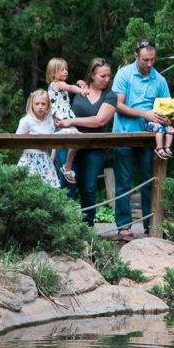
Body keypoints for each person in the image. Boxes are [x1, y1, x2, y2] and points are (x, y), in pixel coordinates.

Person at [111, 40, 171, 237]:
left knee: (149, 181)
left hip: (149, 138)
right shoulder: (124, 74)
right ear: (136, 56)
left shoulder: (159, 80)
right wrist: (144, 114)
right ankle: (123, 226)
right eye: (146, 59)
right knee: (123, 181)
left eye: (153, 59)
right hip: (124, 135)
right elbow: (118, 106)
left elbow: (169, 114)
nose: (150, 64)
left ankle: (150, 225)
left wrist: (165, 118)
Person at [53, 58, 117, 224]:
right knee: (67, 187)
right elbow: (56, 104)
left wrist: (73, 121)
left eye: (109, 75)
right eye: (102, 76)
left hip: (93, 148)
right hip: (67, 146)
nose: (106, 79)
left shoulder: (110, 96)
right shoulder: (76, 90)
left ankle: (87, 227)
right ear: (92, 75)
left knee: (88, 188)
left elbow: (99, 121)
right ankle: (65, 226)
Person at [46, 57, 86, 185]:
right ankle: (67, 166)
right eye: (62, 69)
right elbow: (70, 87)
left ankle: (49, 166)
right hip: (62, 119)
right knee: (77, 138)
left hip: (59, 119)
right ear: (53, 73)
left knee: (56, 145)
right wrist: (82, 91)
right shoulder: (58, 84)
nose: (65, 72)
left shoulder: (52, 87)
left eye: (66, 69)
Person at [15, 90, 60, 189]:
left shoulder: (50, 121)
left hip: (45, 159)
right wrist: (22, 135)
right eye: (37, 103)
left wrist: (70, 132)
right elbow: (16, 138)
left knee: (48, 189)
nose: (40, 107)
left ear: (48, 105)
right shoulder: (26, 120)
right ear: (32, 105)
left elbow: (54, 136)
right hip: (29, 158)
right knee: (28, 187)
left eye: (43, 104)